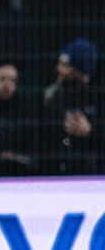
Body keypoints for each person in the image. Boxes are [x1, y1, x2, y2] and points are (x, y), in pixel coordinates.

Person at [45, 39, 100, 176]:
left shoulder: (98, 98)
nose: (58, 68)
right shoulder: (53, 97)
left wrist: (90, 131)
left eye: (66, 65)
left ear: (81, 71)